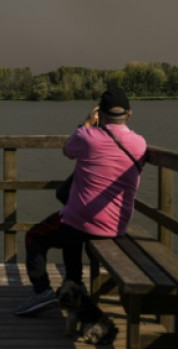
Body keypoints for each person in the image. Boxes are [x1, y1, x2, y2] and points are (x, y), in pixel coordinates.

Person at [14, 88, 146, 316]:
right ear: (129, 114)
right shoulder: (140, 144)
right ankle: (74, 283)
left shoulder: (87, 136)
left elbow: (68, 150)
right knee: (71, 224)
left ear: (100, 114)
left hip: (83, 222)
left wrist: (86, 123)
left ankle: (42, 291)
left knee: (35, 236)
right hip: (116, 225)